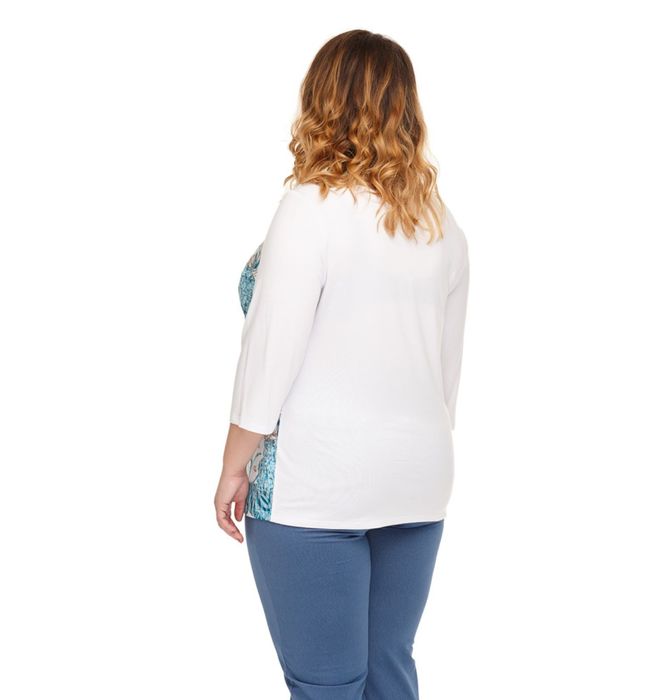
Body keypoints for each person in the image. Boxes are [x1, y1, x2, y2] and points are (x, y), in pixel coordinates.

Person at [214, 29, 470, 700]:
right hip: (419, 477)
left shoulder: (309, 208)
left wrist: (234, 464)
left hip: (316, 484)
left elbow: (269, 357)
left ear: (320, 100)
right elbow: (445, 377)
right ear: (406, 107)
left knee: (326, 685)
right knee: (389, 671)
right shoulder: (441, 226)